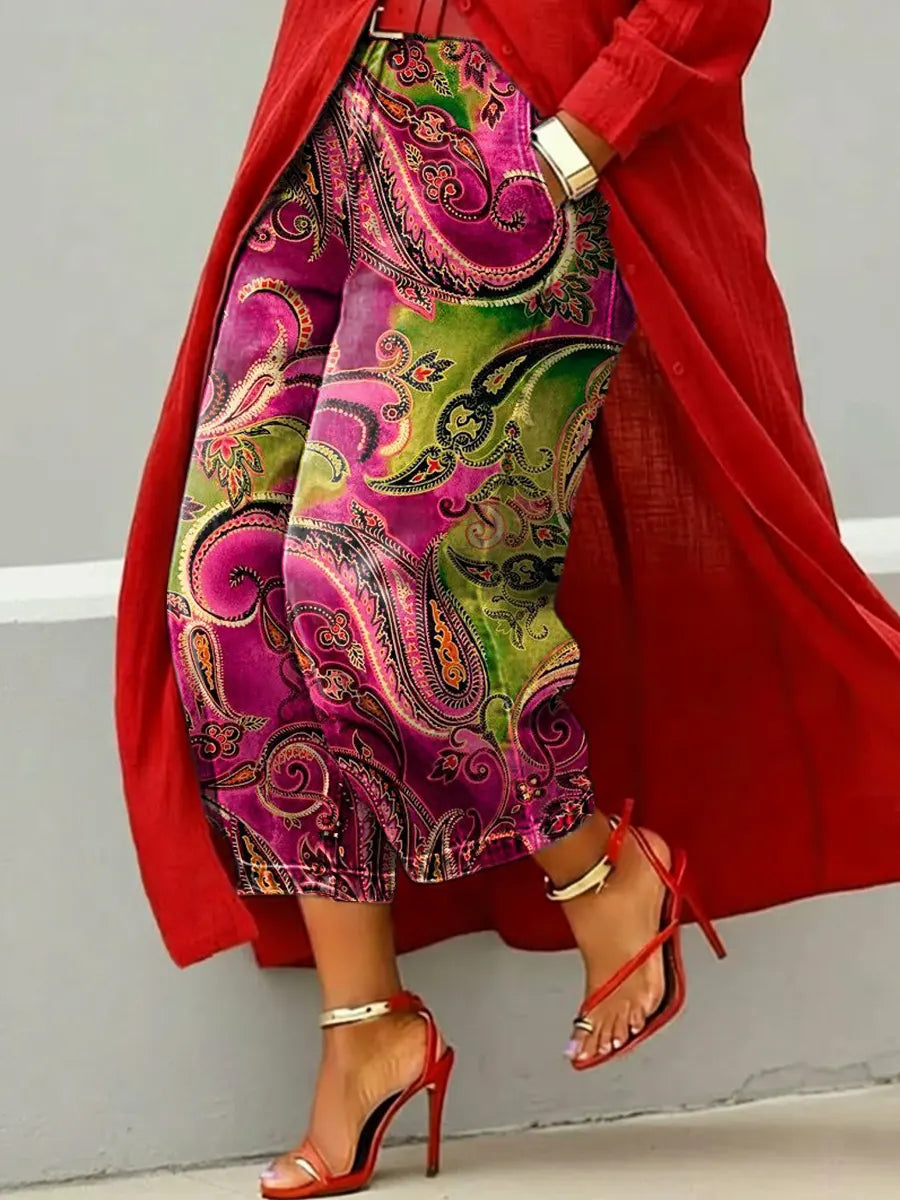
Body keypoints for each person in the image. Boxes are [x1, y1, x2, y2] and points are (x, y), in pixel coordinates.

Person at [115, 2, 900, 1197]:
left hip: (502, 123)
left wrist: (589, 129)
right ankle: (367, 1027)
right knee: (225, 592)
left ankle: (599, 864)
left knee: (355, 571)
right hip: (332, 104)